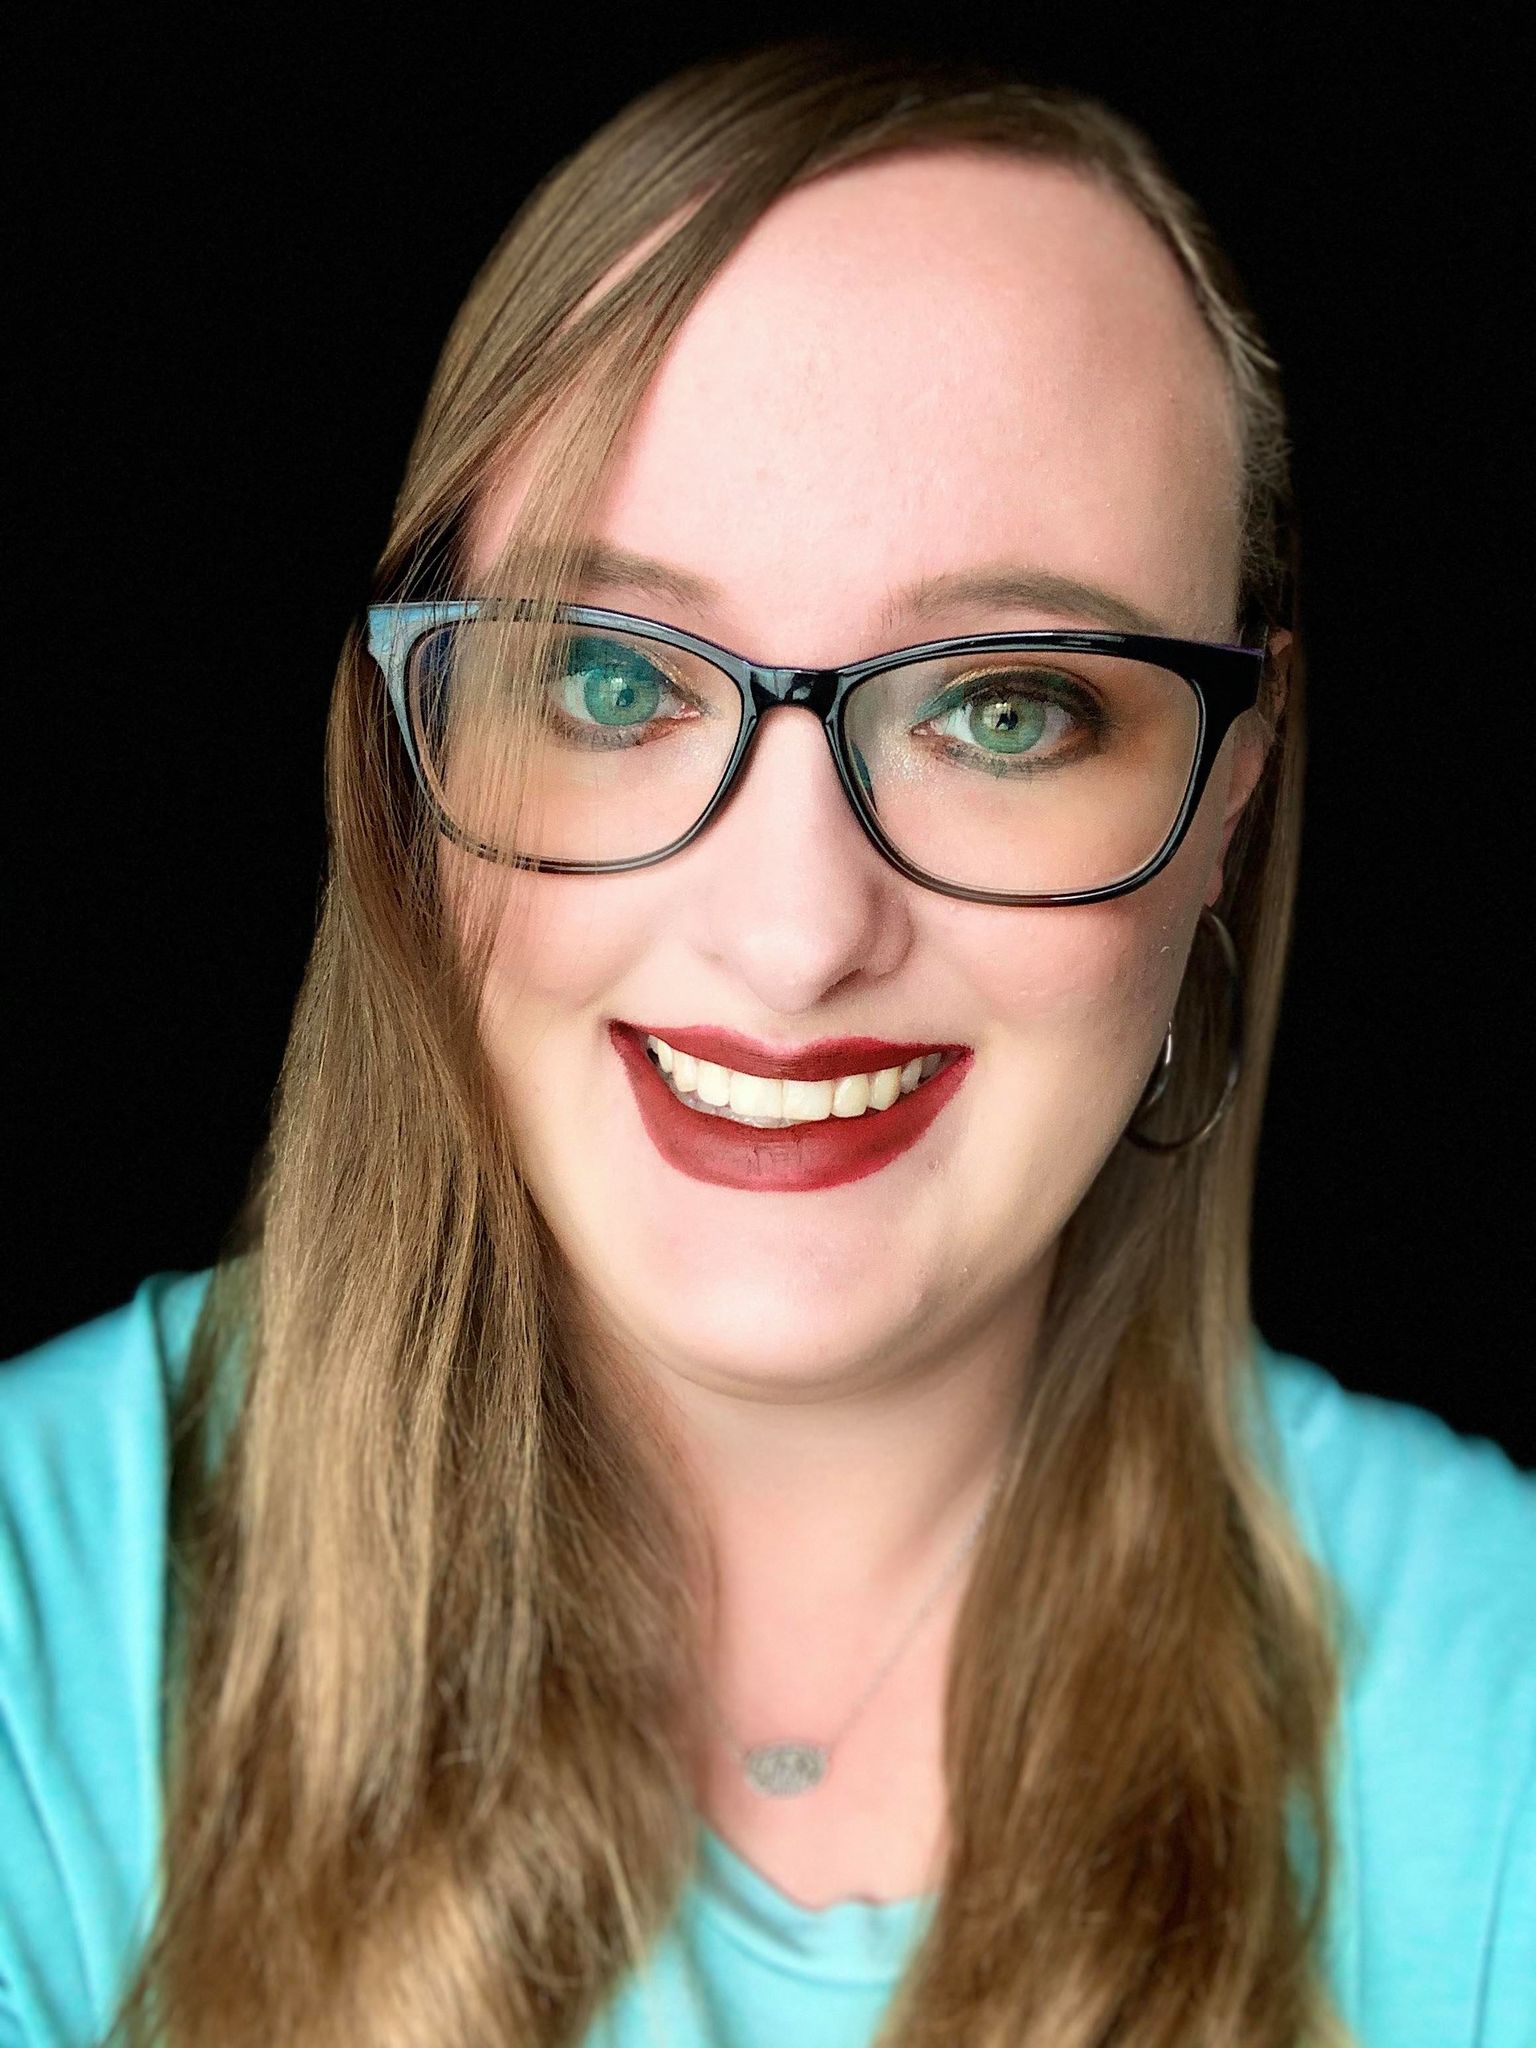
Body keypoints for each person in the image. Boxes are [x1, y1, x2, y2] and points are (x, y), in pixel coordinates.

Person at [1, 37, 1531, 2048]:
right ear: (411, 756)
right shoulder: (36, 1614)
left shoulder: (1498, 1693)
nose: (799, 937)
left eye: (1004, 709)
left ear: (1232, 792)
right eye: (611, 678)